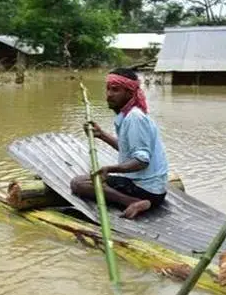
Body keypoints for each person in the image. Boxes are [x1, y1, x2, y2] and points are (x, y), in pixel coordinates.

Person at [70, 68, 169, 219]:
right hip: (153, 189)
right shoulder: (128, 115)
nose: (109, 94)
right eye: (108, 89)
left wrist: (110, 169)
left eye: (115, 90)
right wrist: (101, 135)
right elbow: (128, 151)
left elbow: (142, 161)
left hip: (146, 190)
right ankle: (138, 200)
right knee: (87, 181)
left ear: (129, 93)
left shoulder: (134, 118)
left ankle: (133, 202)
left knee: (78, 183)